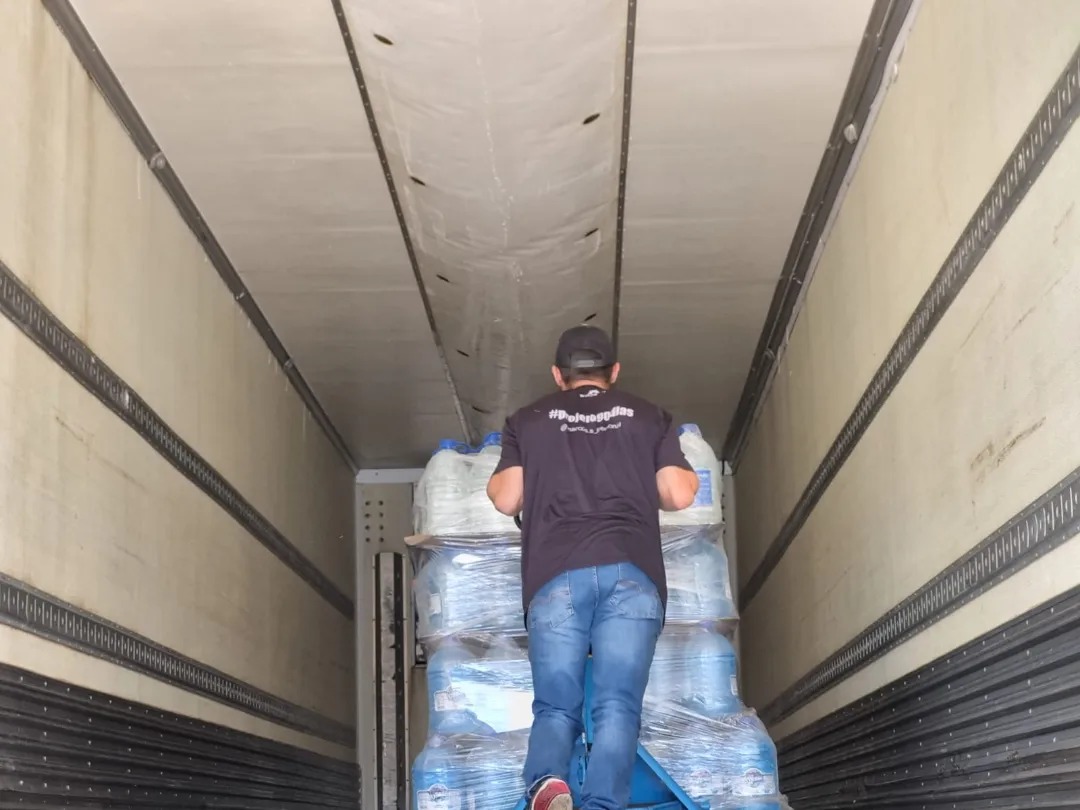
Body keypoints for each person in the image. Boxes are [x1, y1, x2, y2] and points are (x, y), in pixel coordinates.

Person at [486, 324, 699, 810]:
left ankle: (548, 783)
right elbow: (679, 493)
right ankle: (603, 804)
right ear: (614, 372)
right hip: (633, 573)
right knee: (617, 706)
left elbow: (506, 499)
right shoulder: (648, 416)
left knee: (557, 705)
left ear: (557, 374)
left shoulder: (528, 421)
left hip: (555, 574)